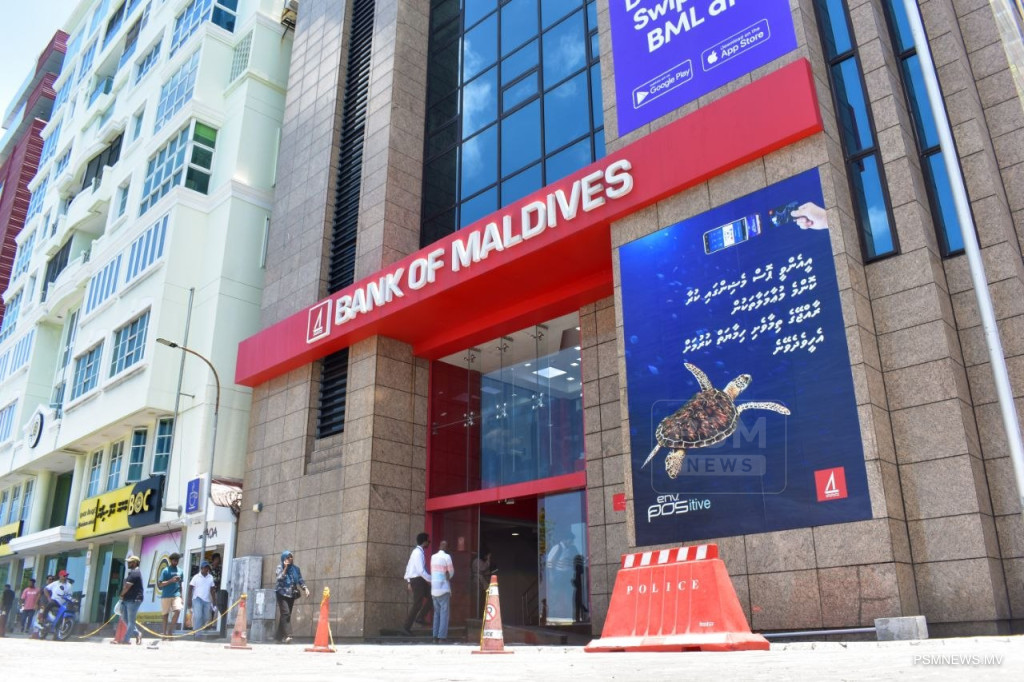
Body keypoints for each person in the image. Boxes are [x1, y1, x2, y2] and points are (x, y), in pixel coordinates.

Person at [274, 550, 308, 643]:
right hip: (281, 593)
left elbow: (300, 579)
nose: (290, 559)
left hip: (291, 594)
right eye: (287, 557)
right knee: (286, 614)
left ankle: (278, 638)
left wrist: (305, 588)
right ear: (283, 558)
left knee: (285, 615)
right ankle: (288, 635)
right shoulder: (280, 567)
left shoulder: (296, 569)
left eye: (291, 557)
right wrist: (285, 568)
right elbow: (279, 578)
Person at [401, 532, 432, 635]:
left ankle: (420, 617)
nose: (429, 543)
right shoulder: (418, 553)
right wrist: (431, 579)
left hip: (417, 580)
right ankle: (406, 627)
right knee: (417, 603)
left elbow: (408, 567)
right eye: (428, 541)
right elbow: (420, 570)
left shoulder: (417, 552)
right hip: (418, 580)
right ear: (424, 542)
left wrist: (409, 581)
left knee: (431, 597)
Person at [116, 555, 144, 645]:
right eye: (128, 562)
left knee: (131, 621)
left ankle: (126, 639)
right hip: (127, 599)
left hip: (134, 600)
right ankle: (137, 633)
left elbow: (127, 587)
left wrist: (121, 595)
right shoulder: (131, 573)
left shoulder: (135, 573)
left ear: (135, 563)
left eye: (130, 562)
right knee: (125, 618)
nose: (128, 563)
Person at [430, 540, 454, 643]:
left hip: (434, 589)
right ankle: (442, 637)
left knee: (436, 614)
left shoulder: (433, 557)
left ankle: (434, 637)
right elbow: (451, 572)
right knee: (444, 614)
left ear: (439, 546)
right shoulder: (447, 557)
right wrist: (448, 576)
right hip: (443, 588)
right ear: (447, 548)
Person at [187, 561, 216, 639]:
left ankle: (196, 629)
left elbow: (212, 589)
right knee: (198, 615)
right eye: (205, 568)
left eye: (207, 568)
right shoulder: (196, 577)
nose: (206, 569)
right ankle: (197, 634)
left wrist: (214, 601)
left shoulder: (210, 577)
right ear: (201, 568)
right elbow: (190, 588)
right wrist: (189, 600)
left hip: (207, 600)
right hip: (197, 598)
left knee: (206, 617)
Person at [157, 552, 184, 637]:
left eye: (177, 560)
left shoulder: (180, 571)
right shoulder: (165, 570)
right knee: (165, 615)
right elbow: (160, 584)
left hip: (176, 595)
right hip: (166, 595)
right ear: (171, 560)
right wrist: (171, 580)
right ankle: (164, 633)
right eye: (174, 560)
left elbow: (181, 584)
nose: (176, 562)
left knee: (178, 610)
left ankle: (170, 631)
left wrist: (182, 596)